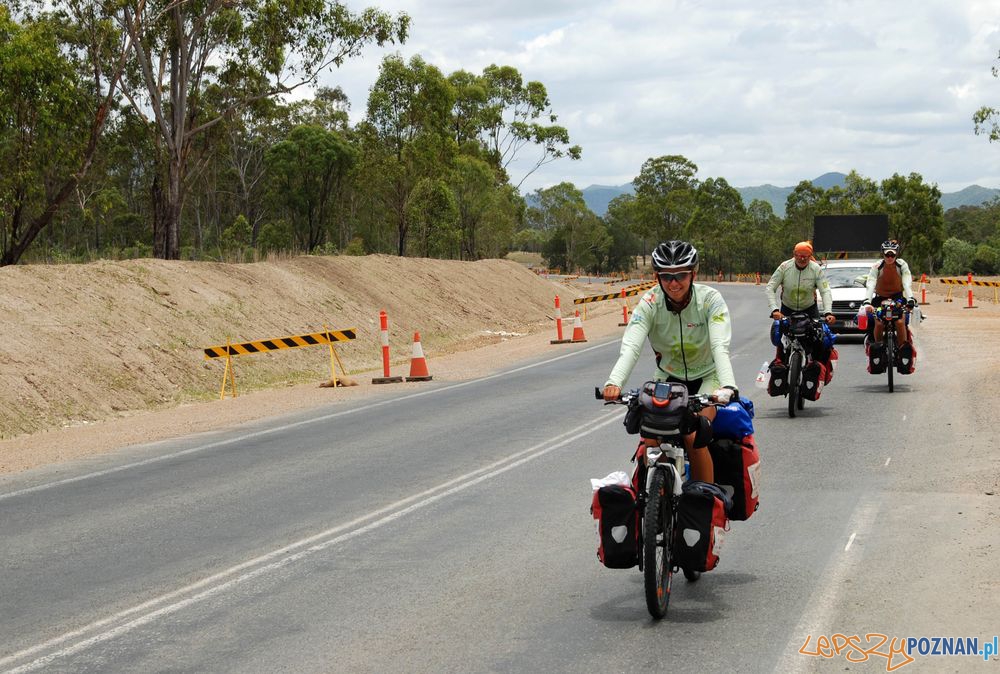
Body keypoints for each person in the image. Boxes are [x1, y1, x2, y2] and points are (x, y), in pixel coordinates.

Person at [602, 240, 738, 483]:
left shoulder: (710, 300)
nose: (674, 283)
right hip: (667, 377)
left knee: (693, 434)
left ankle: (703, 503)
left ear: (693, 274)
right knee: (650, 436)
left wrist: (727, 385)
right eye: (667, 277)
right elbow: (632, 345)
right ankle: (656, 496)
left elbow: (720, 346)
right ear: (657, 277)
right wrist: (614, 382)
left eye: (681, 275)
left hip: (707, 376)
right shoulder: (649, 303)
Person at [764, 241, 835, 367]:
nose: (802, 259)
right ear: (794, 254)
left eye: (806, 256)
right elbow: (770, 287)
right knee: (780, 336)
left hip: (809, 309)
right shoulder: (784, 267)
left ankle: (816, 368)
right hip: (787, 309)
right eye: (799, 256)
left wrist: (828, 312)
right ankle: (780, 363)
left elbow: (825, 291)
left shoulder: (815, 269)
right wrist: (774, 309)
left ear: (810, 256)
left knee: (820, 338)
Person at [863, 239, 916, 364]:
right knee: (879, 323)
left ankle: (903, 350)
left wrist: (910, 299)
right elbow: (871, 283)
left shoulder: (901, 265)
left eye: (892, 254)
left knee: (900, 321)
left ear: (896, 254)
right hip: (880, 300)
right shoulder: (877, 266)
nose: (890, 257)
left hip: (897, 298)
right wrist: (867, 301)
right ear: (883, 254)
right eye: (887, 254)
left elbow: (906, 283)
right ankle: (878, 349)